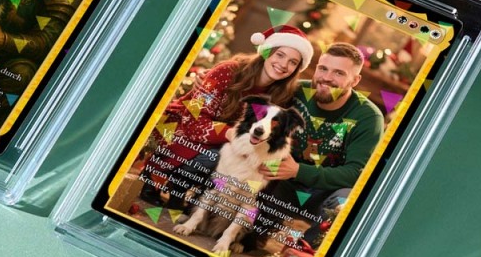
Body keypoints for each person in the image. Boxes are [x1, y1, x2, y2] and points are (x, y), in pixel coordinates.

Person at [139, 25, 314, 206]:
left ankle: (187, 192)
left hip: (221, 142)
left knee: (239, 157)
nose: (284, 64)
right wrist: (232, 134)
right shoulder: (227, 72)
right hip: (179, 129)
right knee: (222, 155)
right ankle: (159, 177)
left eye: (293, 62)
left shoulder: (280, 96)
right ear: (267, 51)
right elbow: (192, 121)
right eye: (280, 55)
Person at [257, 42, 384, 241]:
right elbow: (257, 114)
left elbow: (356, 173)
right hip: (279, 183)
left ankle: (303, 251)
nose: (327, 77)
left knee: (346, 202)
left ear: (355, 80)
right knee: (247, 235)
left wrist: (299, 171)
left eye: (339, 73)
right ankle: (257, 232)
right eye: (323, 68)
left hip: (325, 194)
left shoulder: (368, 116)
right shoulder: (295, 90)